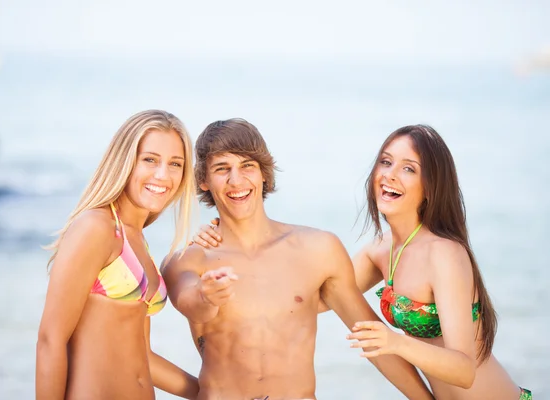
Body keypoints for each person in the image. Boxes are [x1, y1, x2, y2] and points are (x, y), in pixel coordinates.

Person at [194, 124, 533, 400]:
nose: (391, 175)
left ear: (430, 186)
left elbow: (464, 369)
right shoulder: (381, 251)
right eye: (385, 162)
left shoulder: (443, 253)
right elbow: (304, 299)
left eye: (409, 169)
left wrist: (396, 341)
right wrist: (227, 246)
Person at [162, 118, 433, 400]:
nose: (236, 180)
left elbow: (374, 343)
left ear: (264, 174)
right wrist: (208, 296)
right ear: (204, 180)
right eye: (222, 169)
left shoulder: (318, 249)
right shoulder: (186, 260)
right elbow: (191, 304)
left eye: (247, 166)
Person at [36, 110, 199, 400]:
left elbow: (142, 357)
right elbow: (51, 340)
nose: (163, 175)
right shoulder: (96, 228)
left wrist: (211, 392)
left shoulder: (136, 238)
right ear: (125, 160)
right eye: (150, 159)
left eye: (175, 164)